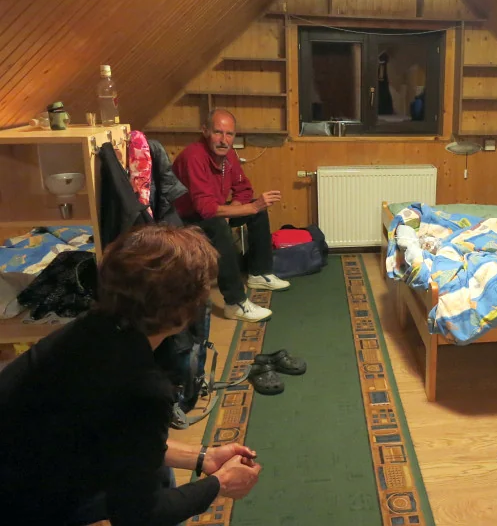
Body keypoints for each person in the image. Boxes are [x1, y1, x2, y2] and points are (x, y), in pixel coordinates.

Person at [0, 224, 262, 526]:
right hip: (21, 502)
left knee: (155, 469)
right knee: (158, 483)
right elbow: (139, 516)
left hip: (27, 459)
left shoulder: (93, 327)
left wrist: (202, 457)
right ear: (183, 313)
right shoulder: (144, 387)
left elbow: (115, 436)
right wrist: (221, 483)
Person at [172, 108, 289, 323]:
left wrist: (237, 209)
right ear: (205, 131)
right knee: (222, 224)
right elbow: (205, 208)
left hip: (211, 211)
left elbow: (243, 189)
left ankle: (259, 273)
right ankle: (234, 303)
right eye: (218, 132)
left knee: (258, 212)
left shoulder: (229, 155)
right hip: (184, 218)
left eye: (229, 134)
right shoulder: (193, 157)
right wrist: (249, 208)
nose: (224, 140)